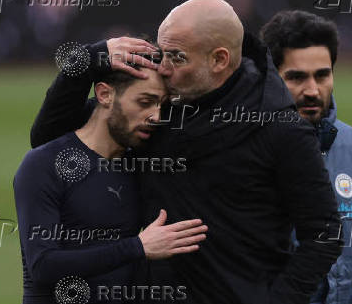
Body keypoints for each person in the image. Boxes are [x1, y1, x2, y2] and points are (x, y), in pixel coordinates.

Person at [30, 0, 343, 304]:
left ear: (219, 60)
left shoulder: (279, 127)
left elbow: (324, 234)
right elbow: (50, 139)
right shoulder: (156, 114)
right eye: (162, 53)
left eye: (177, 57)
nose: (163, 69)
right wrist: (87, 61)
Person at [14, 57, 209, 304]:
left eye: (162, 105)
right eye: (145, 102)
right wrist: (137, 248)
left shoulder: (141, 166)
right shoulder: (44, 164)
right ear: (105, 94)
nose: (156, 116)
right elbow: (43, 265)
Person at [260, 10, 352, 304]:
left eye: (322, 75)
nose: (312, 90)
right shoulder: (246, 150)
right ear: (271, 77)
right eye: (296, 77)